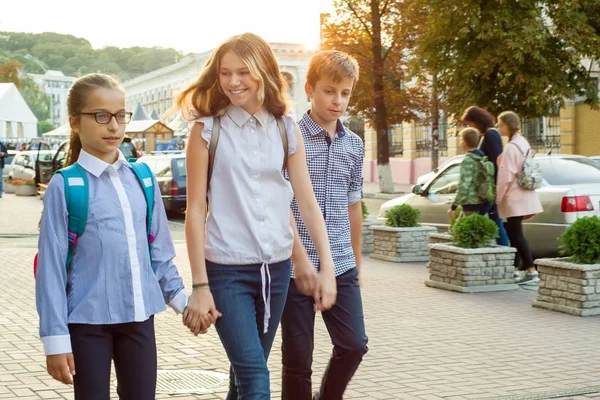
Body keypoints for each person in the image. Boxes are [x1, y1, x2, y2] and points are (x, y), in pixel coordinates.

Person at [171, 33, 336, 399]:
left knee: (245, 375)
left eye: (243, 72)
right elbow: (195, 210)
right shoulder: (206, 130)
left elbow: (305, 203)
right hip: (226, 271)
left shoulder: (286, 129)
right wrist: (199, 286)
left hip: (275, 271)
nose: (233, 82)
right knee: (256, 379)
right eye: (225, 73)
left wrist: (324, 266)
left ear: (264, 73)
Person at [35, 73, 189, 399]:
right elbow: (50, 270)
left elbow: (158, 253)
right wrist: (55, 340)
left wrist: (185, 304)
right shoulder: (66, 185)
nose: (114, 126)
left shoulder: (143, 178)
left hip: (139, 319)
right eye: (101, 116)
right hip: (87, 325)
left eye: (121, 116)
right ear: (75, 121)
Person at [280, 50, 368, 400]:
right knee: (298, 360)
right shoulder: (290, 138)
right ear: (309, 89)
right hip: (294, 267)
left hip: (342, 264)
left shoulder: (355, 144)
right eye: (330, 91)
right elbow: (280, 204)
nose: (338, 100)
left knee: (354, 345)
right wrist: (297, 258)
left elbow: (354, 206)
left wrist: (357, 265)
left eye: (345, 93)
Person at [496, 111, 543, 284]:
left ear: (508, 125)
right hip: (524, 194)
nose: (498, 127)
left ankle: (530, 269)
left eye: (500, 124)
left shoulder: (511, 147)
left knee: (515, 234)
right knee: (513, 232)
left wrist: (498, 197)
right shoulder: (523, 143)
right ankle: (518, 267)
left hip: (513, 196)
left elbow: (506, 175)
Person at [460, 106, 509, 246]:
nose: (470, 127)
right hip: (489, 187)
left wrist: (492, 188)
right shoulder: (488, 134)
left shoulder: (490, 135)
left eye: (470, 123)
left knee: (494, 222)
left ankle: (510, 255)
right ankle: (509, 255)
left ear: (477, 120)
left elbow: (495, 162)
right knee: (495, 221)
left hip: (489, 187)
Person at [447, 127, 494, 221]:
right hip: (482, 202)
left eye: (460, 139)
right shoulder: (482, 158)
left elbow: (464, 186)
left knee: (466, 232)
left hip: (471, 204)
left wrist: (453, 207)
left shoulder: (468, 160)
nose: (460, 142)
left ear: (464, 142)